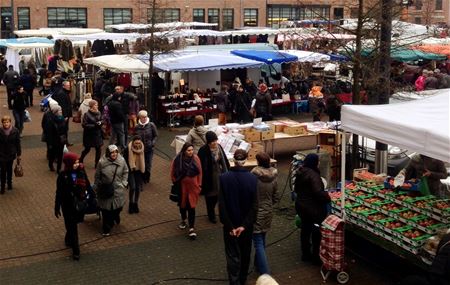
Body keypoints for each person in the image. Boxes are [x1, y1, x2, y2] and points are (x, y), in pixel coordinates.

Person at [219, 149, 258, 285]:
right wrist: (244, 225)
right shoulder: (253, 179)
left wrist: (230, 226)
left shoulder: (224, 178)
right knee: (245, 253)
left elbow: (222, 205)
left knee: (232, 255)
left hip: (230, 226)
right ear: (246, 160)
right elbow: (254, 206)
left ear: (233, 161)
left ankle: (234, 281)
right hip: (246, 227)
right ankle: (243, 280)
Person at [294, 153, 331, 264]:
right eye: (318, 161)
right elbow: (318, 192)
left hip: (301, 206)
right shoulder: (314, 175)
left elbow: (296, 189)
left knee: (305, 230)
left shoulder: (301, 172)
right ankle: (316, 256)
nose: (319, 163)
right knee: (316, 232)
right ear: (315, 162)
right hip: (312, 209)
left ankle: (305, 254)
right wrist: (327, 197)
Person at [54, 152, 91, 261]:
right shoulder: (63, 176)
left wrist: (91, 196)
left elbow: (87, 184)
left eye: (78, 162)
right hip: (67, 205)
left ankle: (68, 237)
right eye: (75, 162)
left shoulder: (81, 171)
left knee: (74, 224)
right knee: (72, 227)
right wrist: (57, 207)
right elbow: (59, 192)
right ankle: (76, 250)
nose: (77, 164)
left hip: (79, 203)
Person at [251, 152, 280, 275]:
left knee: (258, 242)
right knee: (262, 239)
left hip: (257, 211)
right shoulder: (274, 176)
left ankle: (264, 271)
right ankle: (258, 264)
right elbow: (276, 195)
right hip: (268, 210)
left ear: (258, 162)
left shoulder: (254, 175)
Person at [170, 142, 202, 239]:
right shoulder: (177, 159)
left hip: (193, 188)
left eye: (192, 150)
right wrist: (175, 181)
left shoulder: (196, 158)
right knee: (182, 205)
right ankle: (183, 219)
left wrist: (199, 185)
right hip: (182, 187)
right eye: (189, 150)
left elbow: (200, 172)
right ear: (184, 151)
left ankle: (191, 228)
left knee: (191, 206)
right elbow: (172, 172)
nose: (191, 152)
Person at [94, 145, 128, 236]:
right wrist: (96, 187)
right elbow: (97, 176)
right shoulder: (101, 162)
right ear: (108, 153)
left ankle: (115, 216)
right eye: (112, 152)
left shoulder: (122, 160)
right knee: (105, 211)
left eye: (116, 152)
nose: (114, 154)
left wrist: (124, 183)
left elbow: (125, 171)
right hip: (105, 190)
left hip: (118, 190)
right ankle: (106, 229)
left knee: (118, 208)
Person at [198, 131, 230, 224]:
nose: (215, 143)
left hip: (219, 175)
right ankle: (211, 214)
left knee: (217, 195)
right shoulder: (203, 150)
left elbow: (224, 160)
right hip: (208, 177)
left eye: (216, 140)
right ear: (208, 142)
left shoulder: (219, 148)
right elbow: (200, 165)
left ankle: (215, 212)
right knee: (209, 196)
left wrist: (226, 172)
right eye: (212, 141)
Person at [133, 110, 158, 183]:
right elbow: (134, 137)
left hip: (149, 149)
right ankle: (142, 177)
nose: (144, 118)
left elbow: (156, 136)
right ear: (139, 118)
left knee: (148, 163)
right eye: (143, 117)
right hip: (140, 149)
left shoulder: (151, 125)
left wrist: (152, 143)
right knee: (141, 163)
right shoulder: (137, 127)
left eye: (145, 117)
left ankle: (147, 177)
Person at [124, 136, 145, 214]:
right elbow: (125, 161)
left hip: (139, 170)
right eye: (136, 143)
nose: (137, 145)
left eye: (139, 143)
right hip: (131, 170)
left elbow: (144, 160)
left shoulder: (142, 148)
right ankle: (131, 203)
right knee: (132, 187)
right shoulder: (127, 149)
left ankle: (136, 204)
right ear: (133, 142)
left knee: (138, 188)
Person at [43, 105, 68, 173]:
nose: (61, 112)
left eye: (61, 110)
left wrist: (65, 139)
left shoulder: (62, 119)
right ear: (55, 112)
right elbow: (49, 133)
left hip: (61, 140)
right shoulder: (50, 120)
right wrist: (50, 143)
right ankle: (50, 164)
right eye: (59, 110)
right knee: (53, 154)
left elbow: (65, 130)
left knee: (60, 155)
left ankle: (58, 168)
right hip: (54, 140)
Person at [0, 116, 21, 194]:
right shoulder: (0, 131)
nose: (6, 124)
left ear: (10, 122)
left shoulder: (15, 131)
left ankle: (9, 183)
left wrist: (19, 154)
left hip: (11, 153)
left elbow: (18, 143)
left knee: (9, 169)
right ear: (2, 123)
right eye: (4, 122)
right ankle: (2, 187)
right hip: (1, 154)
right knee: (2, 170)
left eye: (7, 122)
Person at [79, 100, 103, 168]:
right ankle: (81, 159)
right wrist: (94, 125)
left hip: (97, 134)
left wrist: (101, 123)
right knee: (87, 149)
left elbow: (101, 119)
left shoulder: (99, 112)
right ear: (92, 106)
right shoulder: (87, 114)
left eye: (97, 105)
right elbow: (84, 125)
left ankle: (96, 163)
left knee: (98, 149)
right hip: (89, 135)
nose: (97, 106)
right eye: (96, 105)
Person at [52, 81, 73, 145]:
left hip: (65, 114)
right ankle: (63, 142)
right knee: (63, 129)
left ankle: (65, 142)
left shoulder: (64, 92)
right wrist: (65, 115)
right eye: (68, 85)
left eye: (69, 85)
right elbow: (62, 106)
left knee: (65, 129)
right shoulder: (62, 93)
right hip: (64, 115)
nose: (69, 86)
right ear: (63, 86)